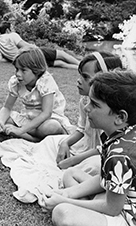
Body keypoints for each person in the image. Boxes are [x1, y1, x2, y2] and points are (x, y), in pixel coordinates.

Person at [0, 51, 124, 206]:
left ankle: (81, 193)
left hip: (100, 154)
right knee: (51, 142)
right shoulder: (85, 101)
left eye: (86, 77)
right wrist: (66, 143)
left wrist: (74, 159)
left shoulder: (112, 112)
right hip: (86, 146)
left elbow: (107, 147)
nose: (79, 80)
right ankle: (76, 185)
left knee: (92, 165)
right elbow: (81, 130)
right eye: (80, 75)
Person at [43, 70, 136, 226]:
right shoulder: (120, 135)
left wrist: (65, 200)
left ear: (120, 117)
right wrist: (66, 193)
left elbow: (112, 208)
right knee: (70, 174)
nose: (86, 108)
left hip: (127, 215)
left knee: (62, 212)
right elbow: (105, 179)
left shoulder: (119, 155)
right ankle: (87, 206)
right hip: (119, 196)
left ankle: (85, 207)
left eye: (94, 104)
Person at [0, 47, 73, 142]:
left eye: (23, 70)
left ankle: (27, 135)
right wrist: (1, 122)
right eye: (17, 69)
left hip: (47, 120)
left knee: (51, 127)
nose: (18, 74)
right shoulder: (16, 82)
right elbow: (7, 107)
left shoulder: (45, 81)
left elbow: (46, 113)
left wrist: (21, 130)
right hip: (28, 117)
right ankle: (32, 137)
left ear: (37, 70)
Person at [0, 21, 80, 69]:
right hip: (34, 53)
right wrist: (35, 46)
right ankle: (81, 65)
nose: (14, 29)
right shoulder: (12, 35)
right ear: (8, 30)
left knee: (60, 63)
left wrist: (14, 58)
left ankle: (78, 68)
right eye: (12, 27)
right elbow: (25, 46)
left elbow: (0, 59)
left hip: (29, 61)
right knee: (61, 54)